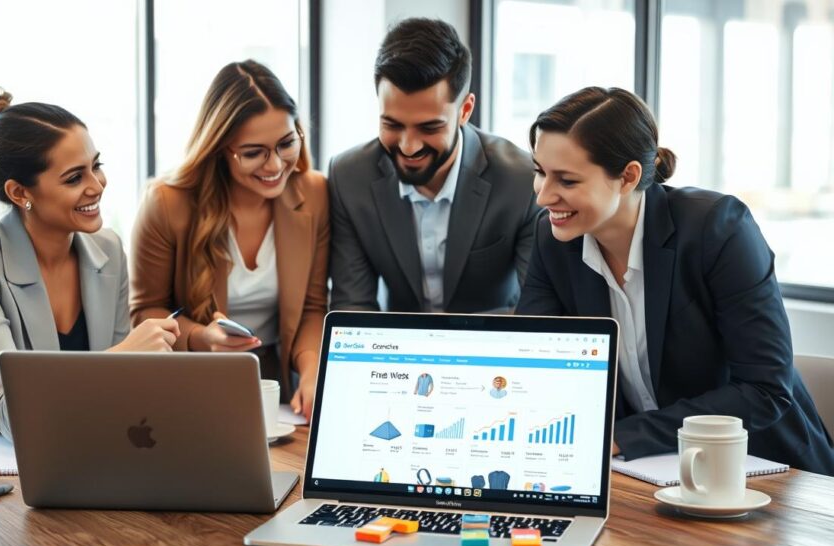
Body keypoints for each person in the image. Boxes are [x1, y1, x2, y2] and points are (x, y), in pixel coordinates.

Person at [517, 86, 834, 474]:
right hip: (642, 471)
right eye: (539, 172)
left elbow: (764, 391)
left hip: (763, 469)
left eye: (566, 181)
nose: (543, 196)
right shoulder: (554, 239)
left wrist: (622, 437)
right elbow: (532, 364)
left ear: (628, 176)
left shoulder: (718, 229)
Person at [0, 87, 179, 441]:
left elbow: (116, 395)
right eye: (74, 177)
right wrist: (123, 357)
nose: (97, 185)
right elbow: (15, 416)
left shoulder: (108, 250)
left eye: (95, 166)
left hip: (71, 448)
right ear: (20, 193)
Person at [130, 60, 328, 419]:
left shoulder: (314, 194)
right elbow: (145, 312)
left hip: (275, 380)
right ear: (220, 148)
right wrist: (202, 338)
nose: (274, 165)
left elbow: (314, 306)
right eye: (253, 153)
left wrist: (313, 370)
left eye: (286, 144)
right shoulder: (165, 203)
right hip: (190, 380)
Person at [329, 18, 539, 314]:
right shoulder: (349, 177)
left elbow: (536, 309)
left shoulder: (521, 179)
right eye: (392, 124)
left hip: (492, 351)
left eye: (429, 127)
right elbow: (353, 307)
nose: (408, 146)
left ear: (465, 110)